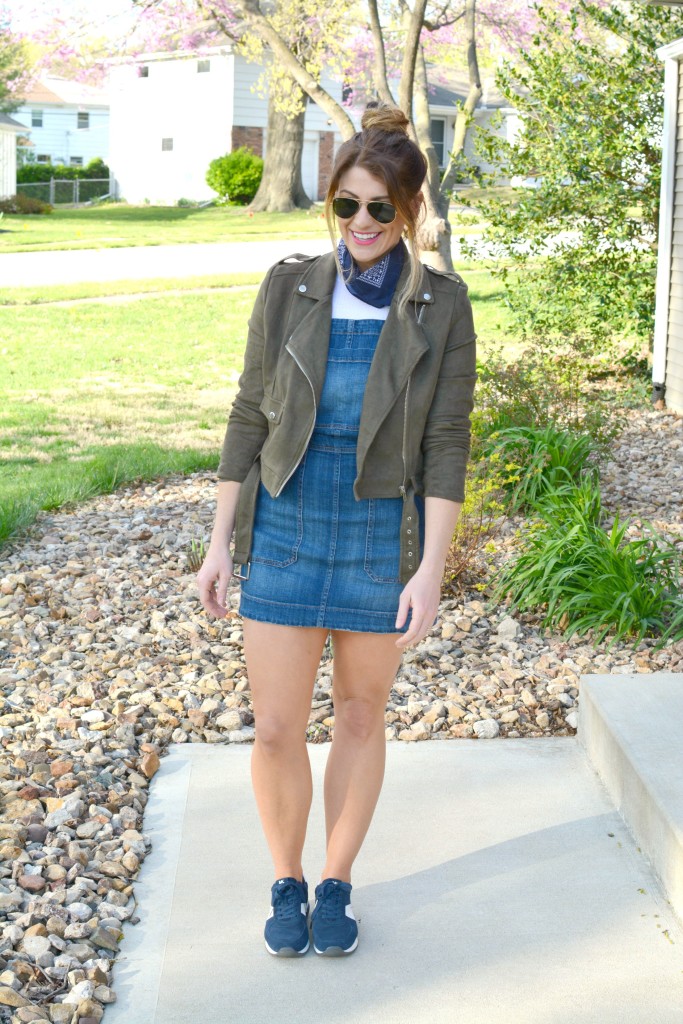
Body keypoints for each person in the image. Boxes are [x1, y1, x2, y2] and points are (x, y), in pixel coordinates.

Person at [197, 104, 477, 959]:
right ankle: (286, 879)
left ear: (409, 213)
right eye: (345, 205)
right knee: (277, 728)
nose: (359, 224)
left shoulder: (442, 306)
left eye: (378, 208)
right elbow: (249, 411)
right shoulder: (289, 287)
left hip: (377, 538)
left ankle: (337, 881)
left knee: (360, 714)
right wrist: (219, 539)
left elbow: (444, 442)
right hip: (283, 526)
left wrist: (430, 567)